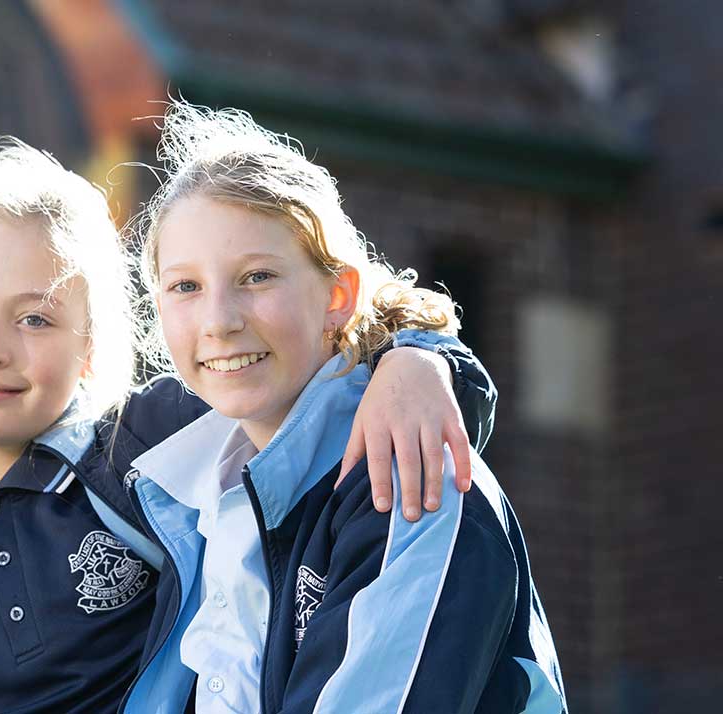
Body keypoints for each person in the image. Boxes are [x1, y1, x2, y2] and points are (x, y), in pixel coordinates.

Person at [0, 139, 497, 713]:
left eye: (34, 318)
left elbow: (312, 380)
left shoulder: (147, 446)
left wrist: (418, 357)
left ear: (93, 344)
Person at [121, 103, 564, 713]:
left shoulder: (407, 471)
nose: (218, 321)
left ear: (338, 295)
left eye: (257, 277)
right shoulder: (177, 474)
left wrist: (423, 354)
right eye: (185, 286)